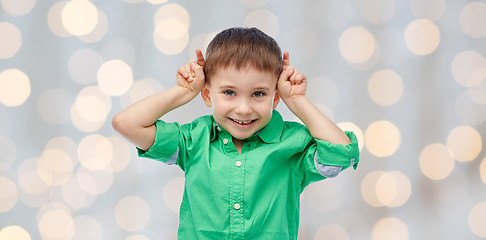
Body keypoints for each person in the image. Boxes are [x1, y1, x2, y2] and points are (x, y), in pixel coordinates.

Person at [112, 27, 359, 240]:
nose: (244, 108)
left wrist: (297, 100)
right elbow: (126, 123)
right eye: (229, 92)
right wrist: (183, 92)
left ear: (275, 98)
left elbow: (341, 153)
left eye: (259, 94)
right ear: (208, 94)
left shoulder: (292, 145)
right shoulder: (195, 140)